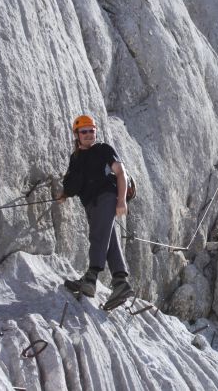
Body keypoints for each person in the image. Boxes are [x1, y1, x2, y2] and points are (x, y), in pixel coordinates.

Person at [58, 115, 134, 309]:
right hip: (91, 204)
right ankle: (120, 282)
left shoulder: (103, 149)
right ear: (77, 135)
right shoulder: (75, 158)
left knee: (98, 237)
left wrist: (121, 200)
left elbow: (120, 173)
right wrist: (65, 194)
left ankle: (91, 278)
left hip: (106, 198)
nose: (89, 134)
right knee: (109, 240)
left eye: (92, 130)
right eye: (84, 131)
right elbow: (73, 182)